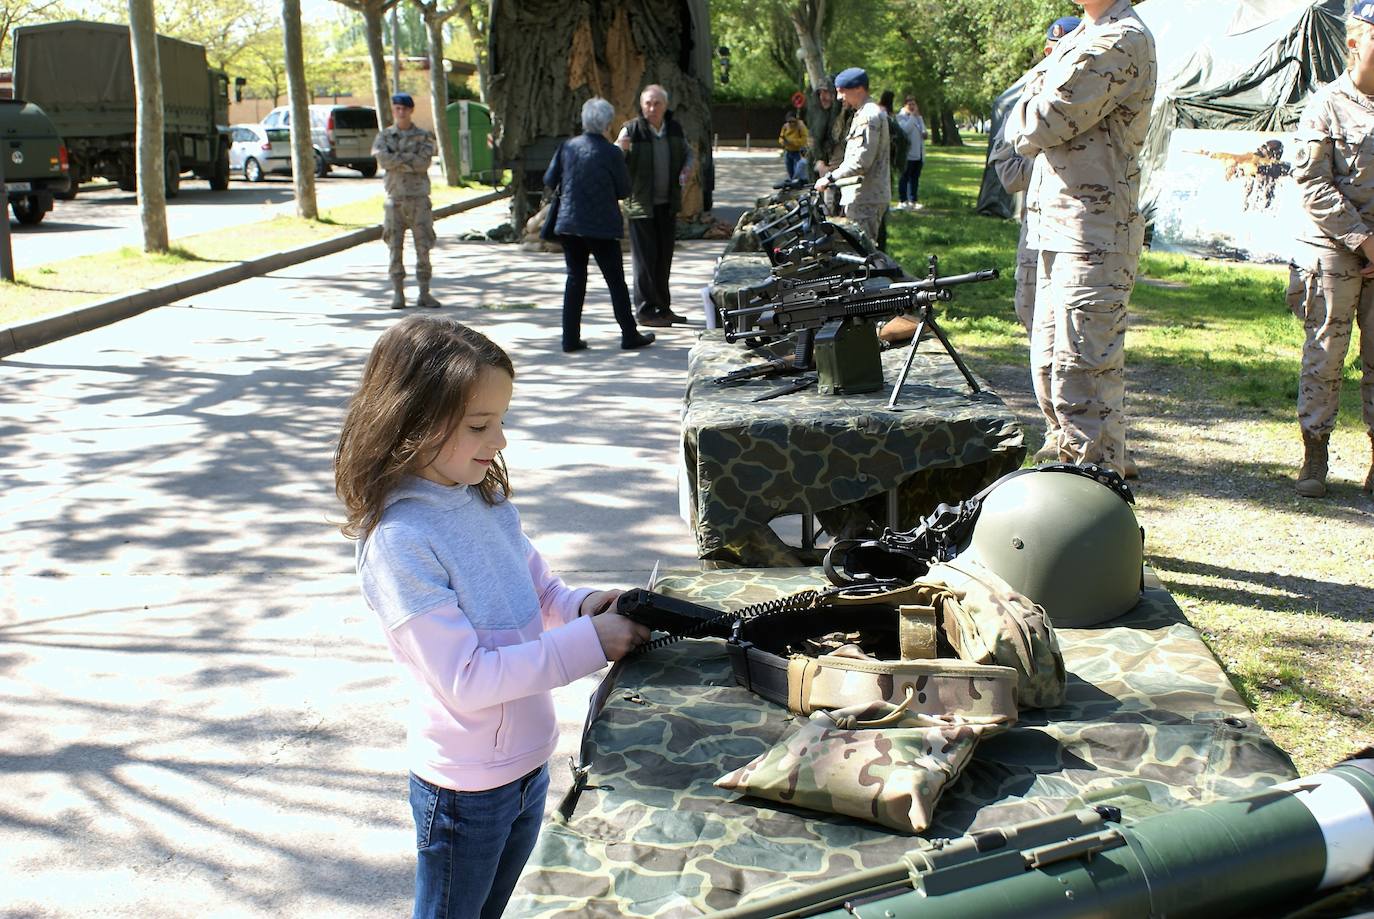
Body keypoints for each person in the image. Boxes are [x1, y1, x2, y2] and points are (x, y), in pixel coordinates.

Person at [333, 315, 651, 919]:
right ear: (411, 423)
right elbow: (467, 678)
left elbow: (541, 594)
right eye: (480, 425)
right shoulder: (400, 541)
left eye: (500, 420)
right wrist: (592, 642)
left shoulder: (483, 498)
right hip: (465, 788)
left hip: (529, 764)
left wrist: (587, 607)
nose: (499, 440)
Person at [1002, 0, 1156, 478]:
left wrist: (1024, 107)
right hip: (1057, 227)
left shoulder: (1119, 39)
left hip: (1094, 233)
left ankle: (1096, 501)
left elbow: (1036, 122)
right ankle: (1079, 493)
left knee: (1083, 375)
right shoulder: (1080, 37)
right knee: (1050, 365)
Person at [1289, 1, 1374, 497]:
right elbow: (1313, 182)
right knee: (1325, 354)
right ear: (1354, 44)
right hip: (1332, 251)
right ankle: (1314, 455)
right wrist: (1364, 242)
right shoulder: (1327, 104)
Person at [988, 17, 1081, 463]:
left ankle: (1095, 437)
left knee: (1085, 339)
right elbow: (1006, 172)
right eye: (1051, 47)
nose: (1055, 54)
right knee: (1037, 327)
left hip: (1084, 231)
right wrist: (1049, 164)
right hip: (1038, 231)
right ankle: (1054, 428)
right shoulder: (1027, 97)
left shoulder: (1093, 85)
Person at [544, 98, 656, 353]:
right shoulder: (612, 153)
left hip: (570, 223)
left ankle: (570, 338)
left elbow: (550, 179)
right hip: (601, 226)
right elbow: (623, 190)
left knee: (575, 279)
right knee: (615, 281)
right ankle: (629, 334)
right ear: (607, 124)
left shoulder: (567, 147)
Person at [616, 84, 696, 329]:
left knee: (663, 259)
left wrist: (687, 168)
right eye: (648, 103)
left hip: (667, 205)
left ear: (665, 106)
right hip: (642, 206)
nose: (652, 108)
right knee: (644, 262)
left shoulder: (673, 129)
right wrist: (622, 149)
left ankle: (663, 307)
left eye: (656, 103)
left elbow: (688, 153)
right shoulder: (632, 129)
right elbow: (617, 159)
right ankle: (645, 310)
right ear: (641, 106)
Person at [372, 93, 439, 310]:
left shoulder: (423, 136)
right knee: (394, 247)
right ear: (393, 110)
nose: (400, 112)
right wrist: (408, 159)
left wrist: (397, 160)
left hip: (419, 199)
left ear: (411, 110)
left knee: (423, 246)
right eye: (397, 108)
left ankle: (424, 292)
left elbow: (423, 163)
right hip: (395, 200)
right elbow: (383, 159)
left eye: (404, 108)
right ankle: (398, 293)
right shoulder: (384, 136)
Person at [814, 67, 890, 245]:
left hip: (866, 197)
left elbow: (861, 161)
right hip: (862, 195)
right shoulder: (863, 113)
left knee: (863, 255)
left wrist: (829, 178)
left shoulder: (869, 116)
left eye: (842, 92)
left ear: (858, 89)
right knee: (861, 254)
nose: (839, 97)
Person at [895, 98, 928, 210]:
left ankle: (913, 200)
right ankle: (903, 200)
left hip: (919, 153)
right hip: (907, 154)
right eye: (910, 104)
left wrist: (924, 132)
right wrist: (913, 117)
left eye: (914, 104)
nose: (913, 107)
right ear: (905, 105)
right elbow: (905, 130)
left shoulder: (919, 118)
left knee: (915, 178)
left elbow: (924, 131)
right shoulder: (901, 117)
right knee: (904, 177)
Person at [778, 112, 810, 183]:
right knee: (790, 171)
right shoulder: (785, 126)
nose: (791, 124)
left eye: (793, 122)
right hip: (788, 151)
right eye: (789, 122)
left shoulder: (801, 126)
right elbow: (781, 137)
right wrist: (783, 142)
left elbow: (804, 140)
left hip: (797, 152)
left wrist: (792, 141)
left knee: (797, 171)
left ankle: (796, 183)